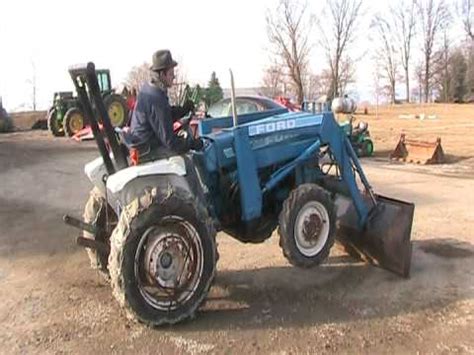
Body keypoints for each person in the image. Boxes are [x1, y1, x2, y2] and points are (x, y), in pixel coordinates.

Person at [129, 49, 202, 162]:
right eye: (171, 73)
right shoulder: (155, 98)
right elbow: (170, 142)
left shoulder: (150, 90)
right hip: (148, 150)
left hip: (144, 144)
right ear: (162, 74)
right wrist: (191, 144)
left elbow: (164, 115)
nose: (174, 77)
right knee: (188, 161)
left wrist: (183, 110)